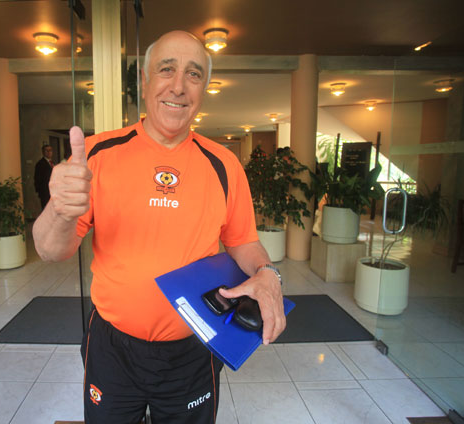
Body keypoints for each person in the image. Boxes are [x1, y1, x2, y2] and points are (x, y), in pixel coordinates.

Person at [33, 30, 286, 424]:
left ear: (204, 88)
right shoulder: (97, 154)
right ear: (145, 80)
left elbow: (243, 242)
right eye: (166, 69)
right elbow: (50, 250)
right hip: (112, 347)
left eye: (194, 74)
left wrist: (267, 272)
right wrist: (60, 211)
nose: (179, 86)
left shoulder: (224, 165)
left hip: (193, 348)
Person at [34, 144, 54, 210]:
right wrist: (40, 192)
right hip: (45, 192)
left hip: (53, 191)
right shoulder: (40, 164)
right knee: (46, 209)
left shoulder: (52, 163)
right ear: (43, 152)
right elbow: (37, 178)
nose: (49, 152)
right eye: (46, 150)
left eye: (50, 150)